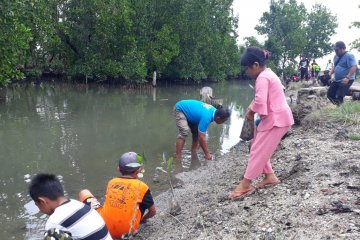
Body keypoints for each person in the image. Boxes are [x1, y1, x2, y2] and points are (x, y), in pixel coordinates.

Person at [229, 47, 294, 200]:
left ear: (256, 65)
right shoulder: (269, 74)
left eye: (247, 68)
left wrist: (251, 112)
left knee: (257, 150)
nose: (246, 72)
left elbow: (260, 100)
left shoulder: (262, 78)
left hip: (276, 120)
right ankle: (270, 176)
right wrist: (253, 109)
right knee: (257, 146)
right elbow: (272, 93)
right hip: (278, 117)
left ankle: (245, 185)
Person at [79, 152, 156, 239]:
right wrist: (142, 219)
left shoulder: (112, 182)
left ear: (119, 169)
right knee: (142, 200)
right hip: (128, 231)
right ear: (139, 170)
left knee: (84, 192)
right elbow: (152, 212)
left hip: (103, 227)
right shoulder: (142, 186)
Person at [28, 173, 112, 240]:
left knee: (52, 235)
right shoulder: (78, 204)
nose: (40, 210)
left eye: (37, 205)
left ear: (42, 201)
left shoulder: (53, 222)